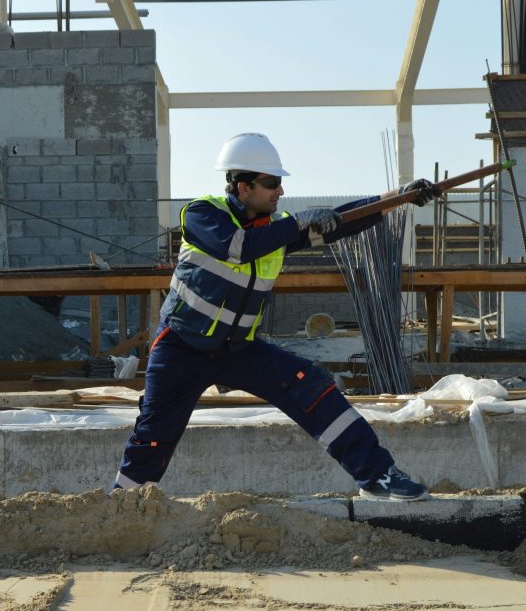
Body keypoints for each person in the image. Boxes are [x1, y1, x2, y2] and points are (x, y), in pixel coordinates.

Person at [113, 133, 439, 500]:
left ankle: (378, 476)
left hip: (238, 349)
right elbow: (237, 248)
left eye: (280, 184)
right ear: (243, 186)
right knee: (154, 435)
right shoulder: (202, 214)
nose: (279, 191)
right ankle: (123, 505)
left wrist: (398, 197)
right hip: (180, 349)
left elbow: (342, 222)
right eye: (271, 184)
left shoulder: (275, 228)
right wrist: (297, 224)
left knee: (311, 385)